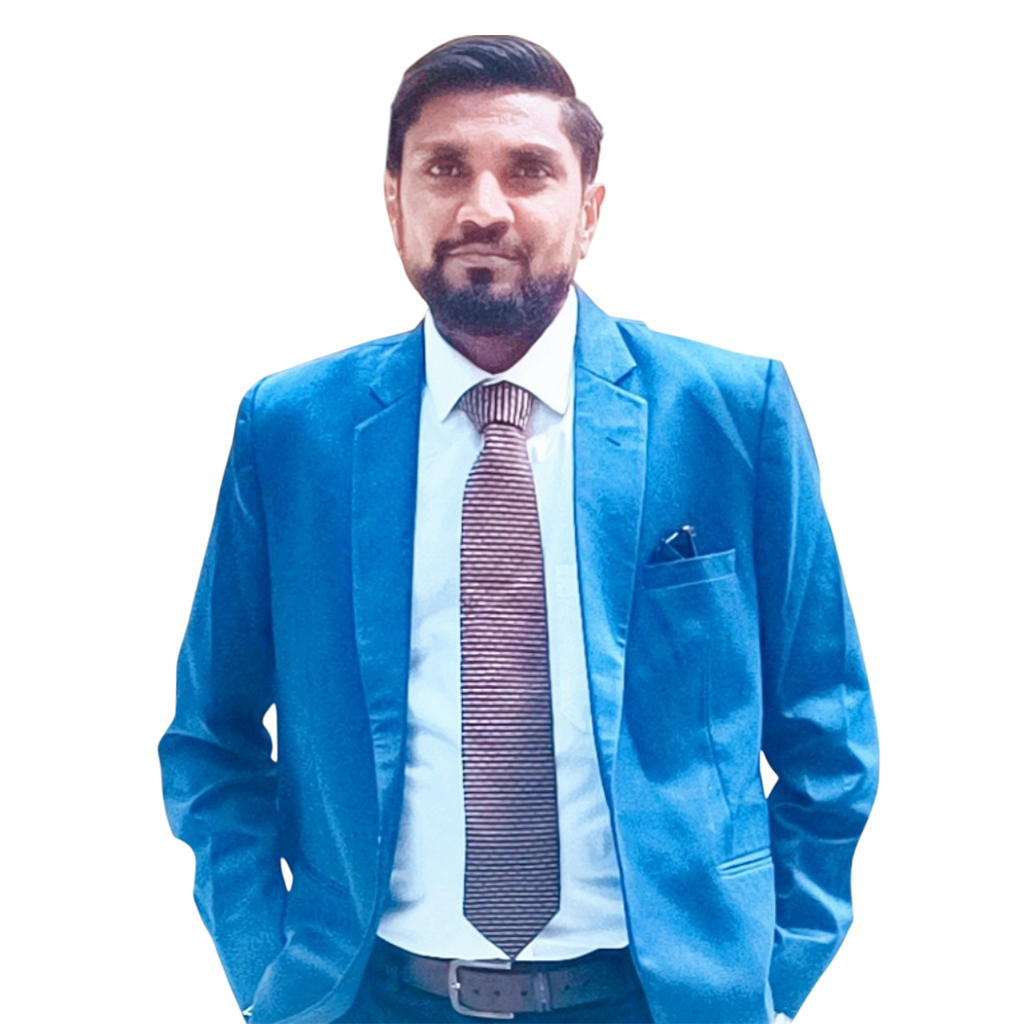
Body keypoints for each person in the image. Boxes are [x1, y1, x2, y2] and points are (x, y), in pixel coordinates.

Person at [159, 35, 879, 1024]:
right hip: (373, 997)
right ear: (392, 201)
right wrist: (269, 974)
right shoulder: (294, 431)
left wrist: (770, 978)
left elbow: (827, 729)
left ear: (590, 209)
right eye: (444, 169)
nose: (484, 207)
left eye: (529, 170)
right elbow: (211, 735)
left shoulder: (727, 414)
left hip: (661, 1000)